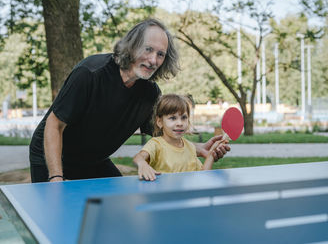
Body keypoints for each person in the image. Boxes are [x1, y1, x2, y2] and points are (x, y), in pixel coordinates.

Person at [29, 18, 230, 183]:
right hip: (52, 155)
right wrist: (56, 176)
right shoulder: (90, 73)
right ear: (132, 46)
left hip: (94, 160)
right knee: (58, 216)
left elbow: (162, 137)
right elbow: (54, 125)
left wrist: (198, 148)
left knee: (120, 205)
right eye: (148, 49)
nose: (153, 60)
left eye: (160, 54)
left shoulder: (150, 93)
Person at [133, 94, 227, 181]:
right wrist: (142, 164)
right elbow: (139, 157)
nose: (180, 123)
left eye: (184, 118)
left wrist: (211, 154)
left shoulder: (190, 147)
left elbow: (203, 176)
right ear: (159, 122)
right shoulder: (156, 144)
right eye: (173, 118)